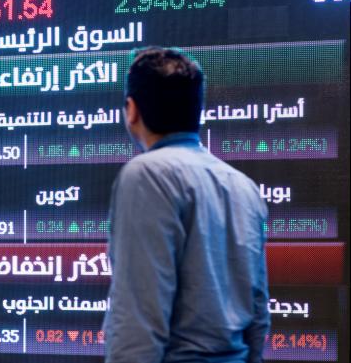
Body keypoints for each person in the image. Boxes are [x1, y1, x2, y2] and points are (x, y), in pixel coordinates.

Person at [103, 47, 270, 363]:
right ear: (197, 110)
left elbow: (139, 317)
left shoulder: (146, 174)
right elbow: (258, 310)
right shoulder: (243, 185)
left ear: (131, 110)